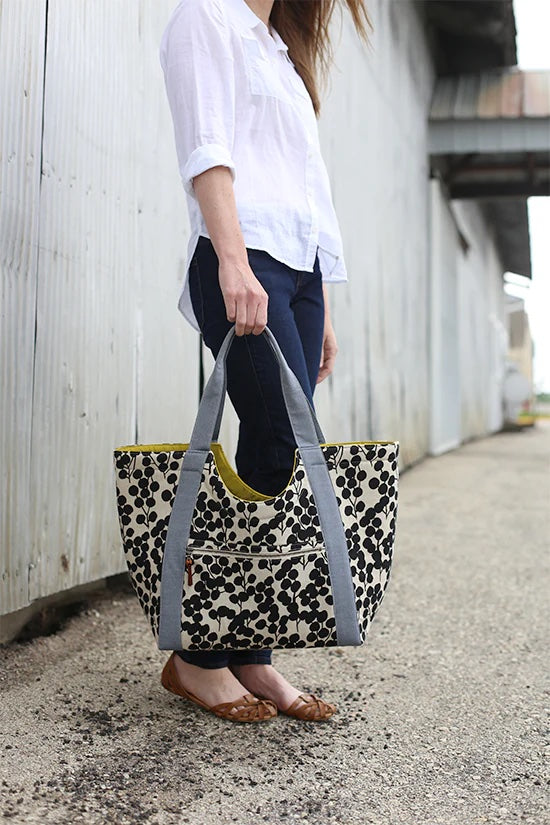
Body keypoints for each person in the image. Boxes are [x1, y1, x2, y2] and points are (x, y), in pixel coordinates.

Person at [158, 0, 371, 722]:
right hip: (243, 260)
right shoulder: (206, 19)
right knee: (279, 438)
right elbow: (206, 150)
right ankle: (196, 657)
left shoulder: (282, 50)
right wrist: (232, 261)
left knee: (274, 458)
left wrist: (325, 305)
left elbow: (308, 185)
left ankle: (251, 653)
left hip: (299, 270)